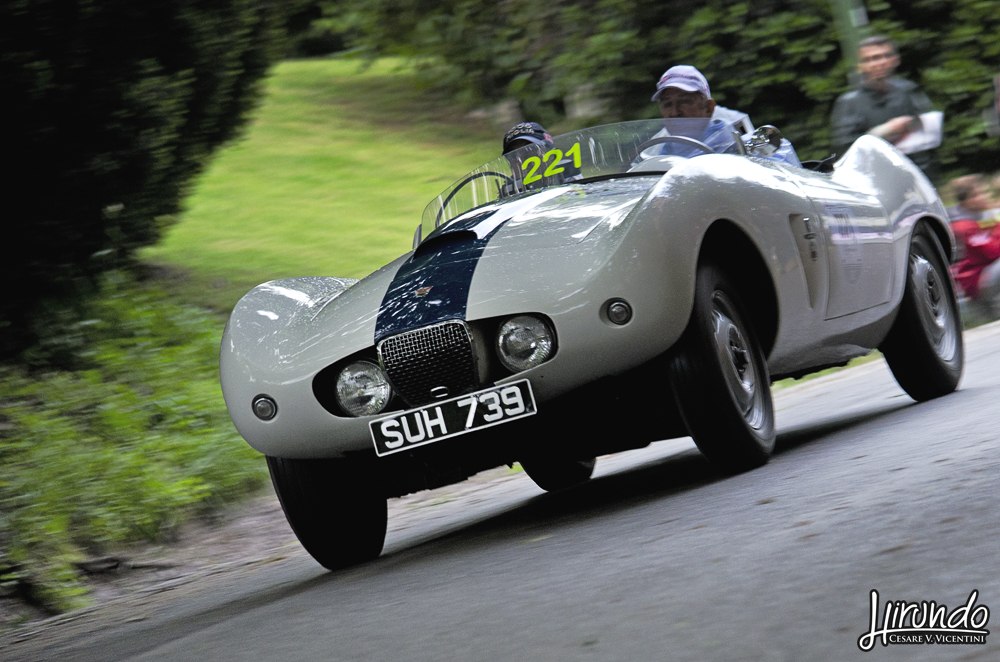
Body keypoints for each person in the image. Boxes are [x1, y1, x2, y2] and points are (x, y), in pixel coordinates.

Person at [831, 35, 939, 180]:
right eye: (871, 59)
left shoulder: (908, 91)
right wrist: (885, 131)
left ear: (896, 59)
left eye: (885, 56)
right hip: (875, 182)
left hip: (917, 177)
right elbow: (846, 152)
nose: (879, 63)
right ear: (860, 66)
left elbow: (930, 132)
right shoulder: (849, 103)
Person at [650, 65, 801, 166]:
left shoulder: (736, 146)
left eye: (685, 101)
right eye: (667, 104)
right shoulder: (654, 157)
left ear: (709, 108)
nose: (675, 112)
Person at [947, 174, 1000, 319]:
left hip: (988, 272)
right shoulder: (962, 226)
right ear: (966, 202)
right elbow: (992, 252)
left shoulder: (984, 216)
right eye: (979, 194)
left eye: (985, 192)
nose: (985, 196)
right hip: (976, 281)